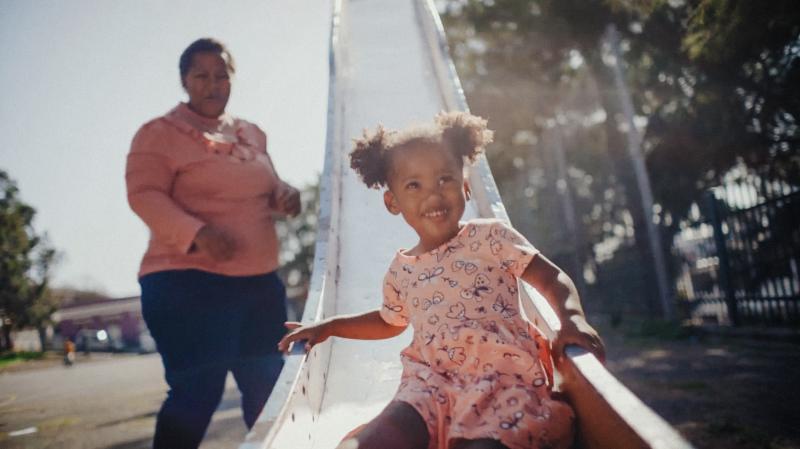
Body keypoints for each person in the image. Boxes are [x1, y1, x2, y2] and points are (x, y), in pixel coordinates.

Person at [279, 112, 605, 449]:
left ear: (464, 186)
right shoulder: (401, 270)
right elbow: (388, 321)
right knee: (373, 441)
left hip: (503, 381)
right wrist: (330, 326)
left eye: (445, 179)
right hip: (428, 386)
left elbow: (551, 278)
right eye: (414, 185)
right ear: (393, 202)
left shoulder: (491, 238)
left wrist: (572, 319)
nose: (433, 194)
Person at [126, 37, 301, 449]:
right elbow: (144, 195)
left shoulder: (252, 134)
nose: (213, 84)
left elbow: (269, 187)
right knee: (197, 393)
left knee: (268, 390)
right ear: (184, 81)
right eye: (201, 75)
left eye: (221, 75)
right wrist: (197, 234)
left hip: (258, 286)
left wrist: (286, 196)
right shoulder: (158, 134)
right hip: (187, 285)